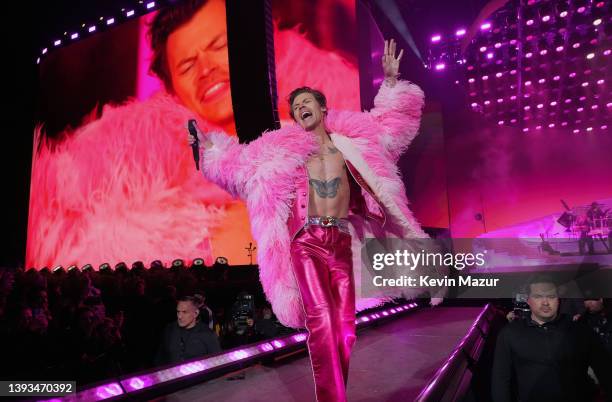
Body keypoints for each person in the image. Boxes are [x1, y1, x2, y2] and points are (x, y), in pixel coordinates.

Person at [190, 39, 442, 402]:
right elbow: (239, 167)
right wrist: (210, 147)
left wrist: (390, 85)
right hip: (306, 243)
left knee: (346, 329)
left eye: (306, 102)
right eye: (295, 107)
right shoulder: (282, 152)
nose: (300, 108)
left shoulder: (355, 143)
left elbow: (393, 127)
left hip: (342, 242)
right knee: (321, 320)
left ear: (323, 108)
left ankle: (334, 392)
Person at [28, 0, 362, 269]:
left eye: (219, 46)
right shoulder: (158, 193)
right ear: (173, 90)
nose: (206, 70)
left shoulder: (323, 134)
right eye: (187, 66)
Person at [491, 275, 612, 402]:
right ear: (528, 300)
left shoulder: (580, 331)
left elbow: (605, 371)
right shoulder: (510, 333)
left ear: (558, 299)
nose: (545, 302)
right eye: (538, 296)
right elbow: (500, 379)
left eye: (551, 296)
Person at [156, 296, 221, 365]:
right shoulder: (170, 329)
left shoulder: (208, 334)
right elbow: (160, 358)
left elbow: (217, 363)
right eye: (178, 312)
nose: (179, 316)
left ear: (196, 313)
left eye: (184, 312)